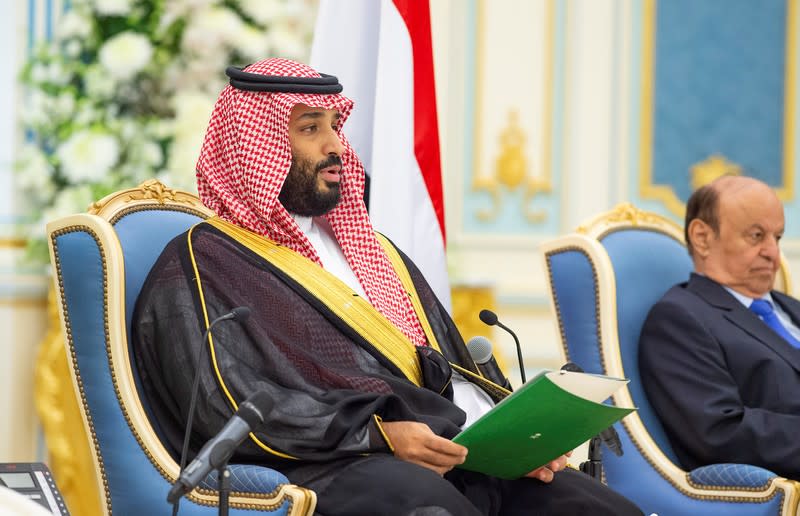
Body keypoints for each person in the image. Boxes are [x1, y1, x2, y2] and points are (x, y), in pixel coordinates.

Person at [132, 58, 642, 515]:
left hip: (448, 451)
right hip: (324, 466)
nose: (336, 146)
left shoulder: (373, 249)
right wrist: (378, 434)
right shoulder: (204, 263)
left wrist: (515, 441)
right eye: (311, 128)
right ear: (251, 150)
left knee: (586, 503)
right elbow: (232, 403)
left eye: (335, 126)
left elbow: (445, 366)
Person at [639, 175, 800, 479]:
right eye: (756, 236)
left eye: (777, 237)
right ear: (702, 237)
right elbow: (720, 432)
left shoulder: (790, 307)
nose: (773, 253)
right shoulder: (679, 320)